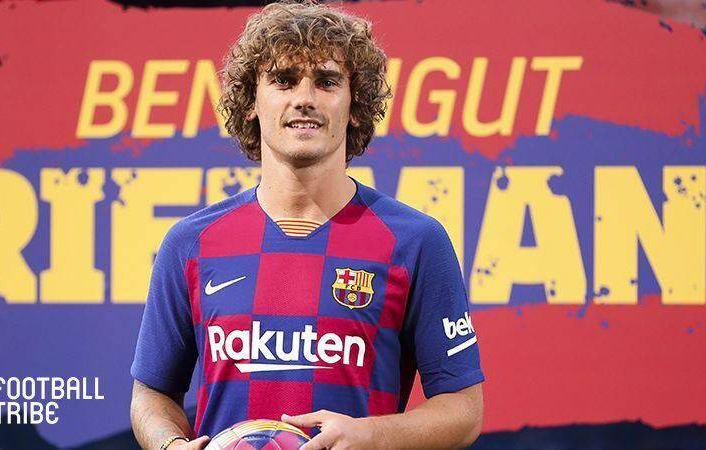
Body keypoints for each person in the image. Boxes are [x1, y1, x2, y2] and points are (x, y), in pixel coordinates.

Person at [130, 1, 484, 449]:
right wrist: (170, 445)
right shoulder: (191, 243)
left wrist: (372, 435)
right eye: (283, 80)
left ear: (355, 105)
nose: (304, 98)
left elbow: (464, 409)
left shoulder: (414, 241)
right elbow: (152, 394)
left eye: (327, 81)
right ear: (252, 102)